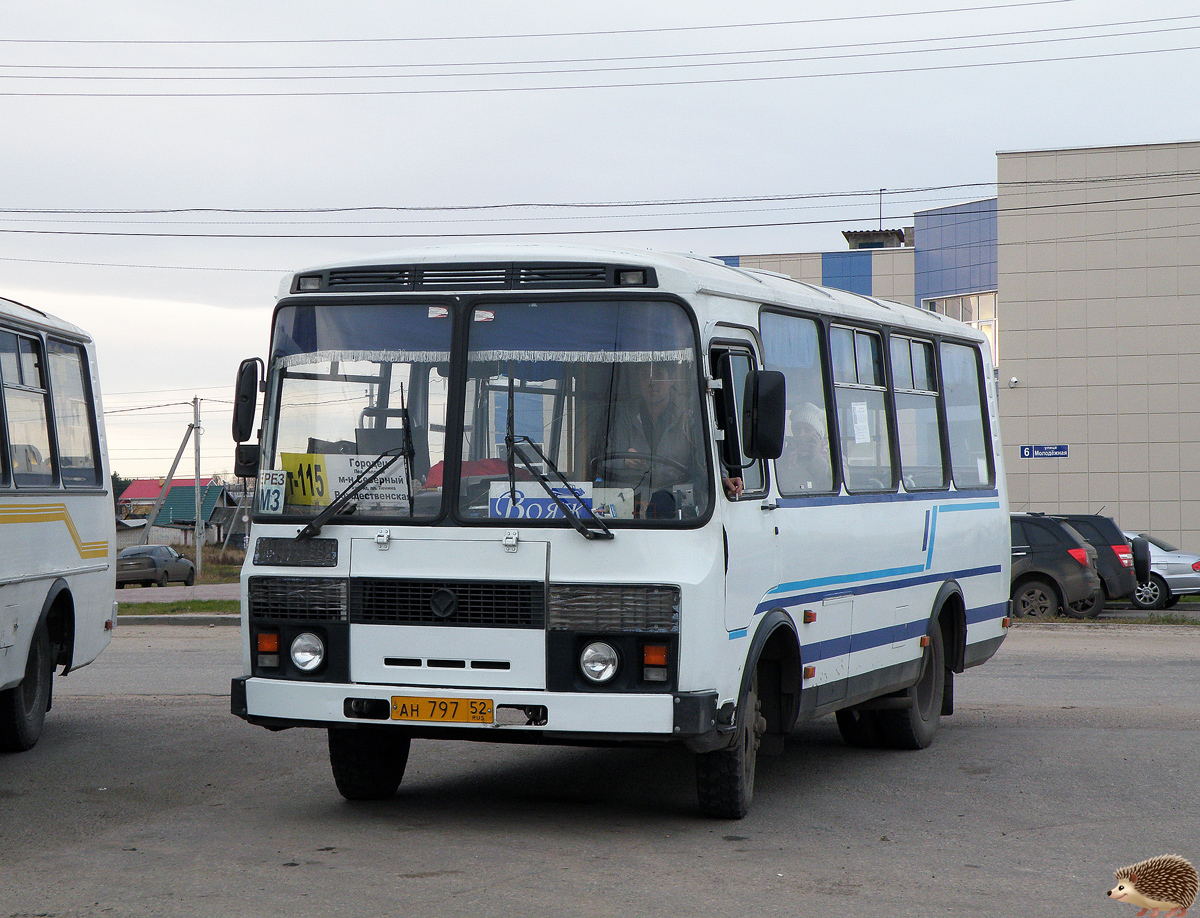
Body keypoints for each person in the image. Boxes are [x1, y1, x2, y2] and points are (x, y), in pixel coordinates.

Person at [604, 362, 740, 516]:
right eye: (644, 377)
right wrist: (624, 461)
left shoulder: (688, 417)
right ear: (638, 382)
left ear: (672, 379)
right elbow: (606, 460)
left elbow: (705, 455)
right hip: (631, 506)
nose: (651, 383)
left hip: (678, 507)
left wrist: (722, 478)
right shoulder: (625, 417)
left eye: (659, 376)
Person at [777, 402, 832, 492]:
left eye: (807, 430)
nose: (801, 434)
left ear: (818, 435)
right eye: (797, 429)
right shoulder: (785, 458)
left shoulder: (835, 460)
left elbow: (830, 488)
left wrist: (816, 457)